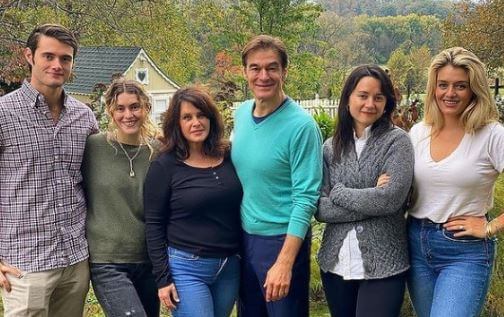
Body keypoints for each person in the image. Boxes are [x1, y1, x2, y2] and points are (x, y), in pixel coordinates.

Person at [0, 24, 98, 316]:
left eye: (65, 59)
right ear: (29, 56)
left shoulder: (84, 117)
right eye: (48, 56)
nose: (57, 65)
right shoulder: (4, 114)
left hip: (75, 261)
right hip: (24, 264)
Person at [407, 47, 504, 317]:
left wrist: (490, 226)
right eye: (443, 85)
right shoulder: (418, 132)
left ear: (474, 89)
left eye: (460, 86)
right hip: (415, 244)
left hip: (464, 252)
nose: (450, 94)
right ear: (433, 88)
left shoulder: (492, 134)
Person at [231, 34, 323, 317]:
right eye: (255, 68)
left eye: (272, 67)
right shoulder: (242, 114)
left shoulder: (301, 127)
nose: (263, 76)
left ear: (284, 71)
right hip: (245, 239)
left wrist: (284, 262)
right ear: (245, 71)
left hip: (282, 241)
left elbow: (305, 199)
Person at [315, 65, 414, 317]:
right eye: (363, 95)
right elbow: (321, 209)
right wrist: (372, 196)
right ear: (348, 97)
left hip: (385, 264)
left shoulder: (397, 142)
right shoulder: (330, 147)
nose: (370, 104)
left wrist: (339, 193)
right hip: (335, 263)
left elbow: (390, 200)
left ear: (386, 103)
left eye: (378, 97)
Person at [144, 87, 242, 317]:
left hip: (229, 267)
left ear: (211, 118)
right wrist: (162, 279)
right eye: (187, 117)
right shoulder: (165, 166)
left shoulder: (228, 156)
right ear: (176, 123)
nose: (196, 122)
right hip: (187, 268)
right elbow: (154, 224)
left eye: (201, 115)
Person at [83, 79, 160, 316]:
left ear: (146, 107)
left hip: (149, 260)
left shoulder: (158, 152)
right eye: (120, 108)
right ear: (110, 111)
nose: (128, 114)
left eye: (135, 106)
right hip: (107, 260)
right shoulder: (92, 147)